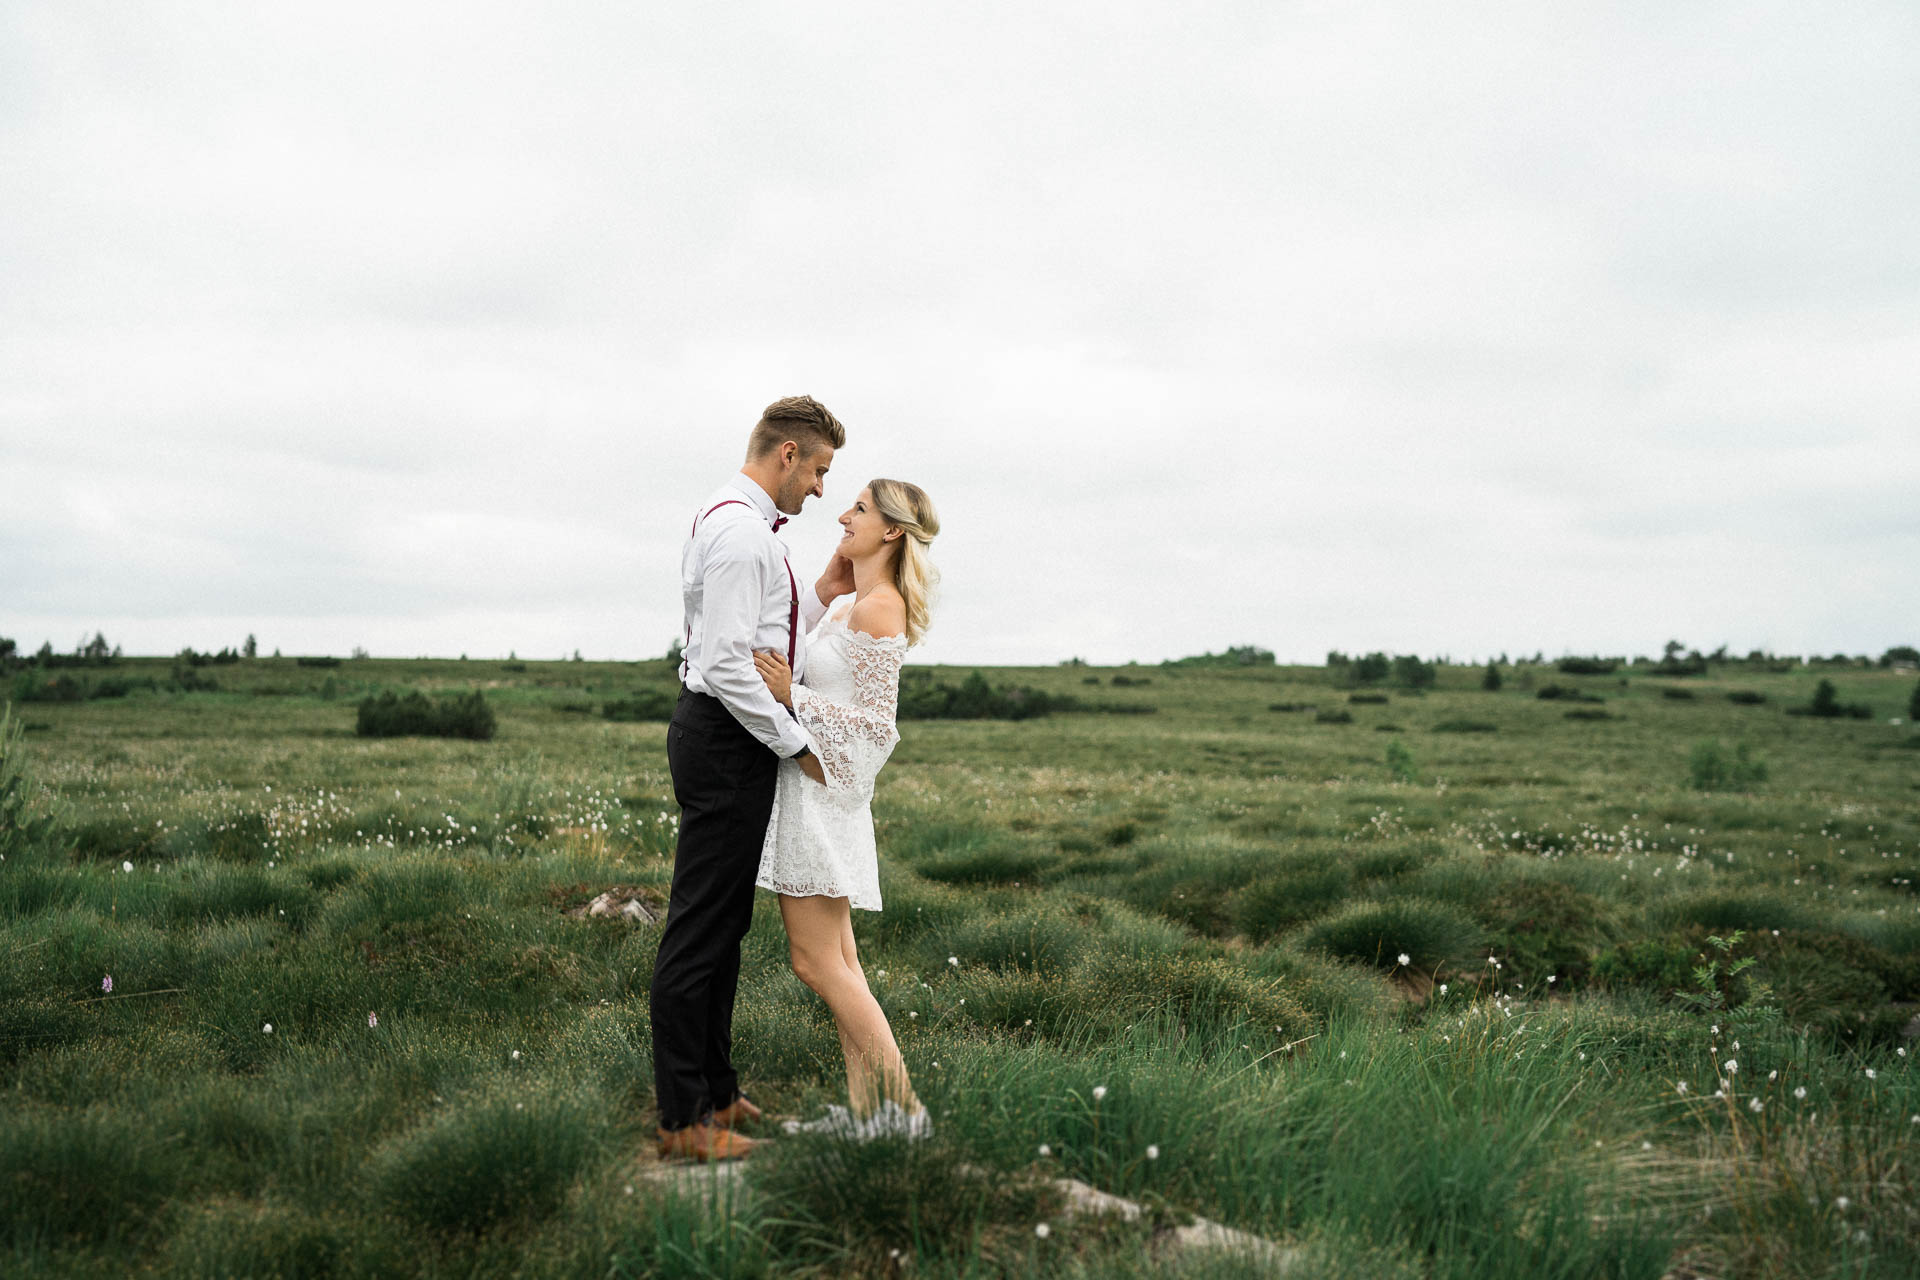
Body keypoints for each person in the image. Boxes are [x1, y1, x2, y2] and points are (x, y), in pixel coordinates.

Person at [651, 395, 848, 1163]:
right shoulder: (739, 533)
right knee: (700, 928)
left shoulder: (743, 523)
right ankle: (682, 1119)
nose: (823, 491)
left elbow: (766, 637)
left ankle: (719, 1090)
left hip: (731, 738)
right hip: (727, 739)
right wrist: (796, 742)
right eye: (821, 470)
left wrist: (823, 592)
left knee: (724, 926)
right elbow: (731, 663)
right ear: (788, 455)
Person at [753, 477, 940, 1141]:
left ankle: (906, 1115)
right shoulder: (852, 603)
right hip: (809, 789)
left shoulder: (881, 608)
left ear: (891, 529)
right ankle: (872, 1116)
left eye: (857, 509)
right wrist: (826, 593)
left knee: (817, 964)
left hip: (823, 800)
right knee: (840, 964)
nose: (841, 514)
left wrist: (792, 697)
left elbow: (875, 727)